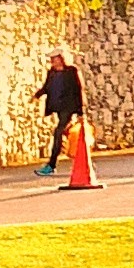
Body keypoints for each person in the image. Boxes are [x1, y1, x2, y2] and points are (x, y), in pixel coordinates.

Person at [34, 47, 84, 175]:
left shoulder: (71, 72)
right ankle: (73, 151)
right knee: (64, 132)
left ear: (61, 59)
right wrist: (36, 95)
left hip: (68, 108)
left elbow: (78, 91)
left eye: (54, 59)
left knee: (58, 132)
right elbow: (47, 87)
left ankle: (51, 165)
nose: (52, 61)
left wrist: (80, 112)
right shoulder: (52, 72)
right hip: (57, 107)